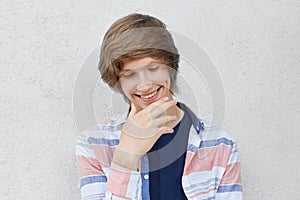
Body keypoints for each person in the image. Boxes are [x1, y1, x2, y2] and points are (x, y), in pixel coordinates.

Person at [76, 13, 243, 200]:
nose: (145, 84)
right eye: (129, 75)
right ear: (118, 81)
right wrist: (127, 154)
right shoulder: (93, 144)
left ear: (170, 67)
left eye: (153, 69)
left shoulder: (220, 144)